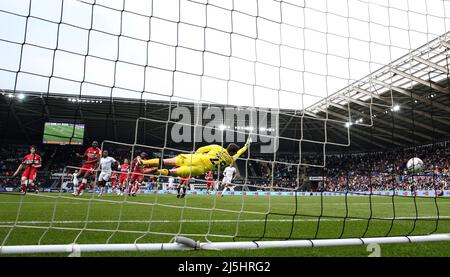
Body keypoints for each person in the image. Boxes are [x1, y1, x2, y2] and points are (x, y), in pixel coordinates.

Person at [139, 138, 251, 177]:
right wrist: (246, 146)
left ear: (227, 147)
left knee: (166, 161)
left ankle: (144, 162)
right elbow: (239, 153)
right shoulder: (231, 159)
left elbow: (201, 149)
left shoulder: (217, 147)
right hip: (200, 169)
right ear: (233, 152)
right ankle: (157, 171)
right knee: (172, 173)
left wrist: (196, 154)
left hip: (195, 159)